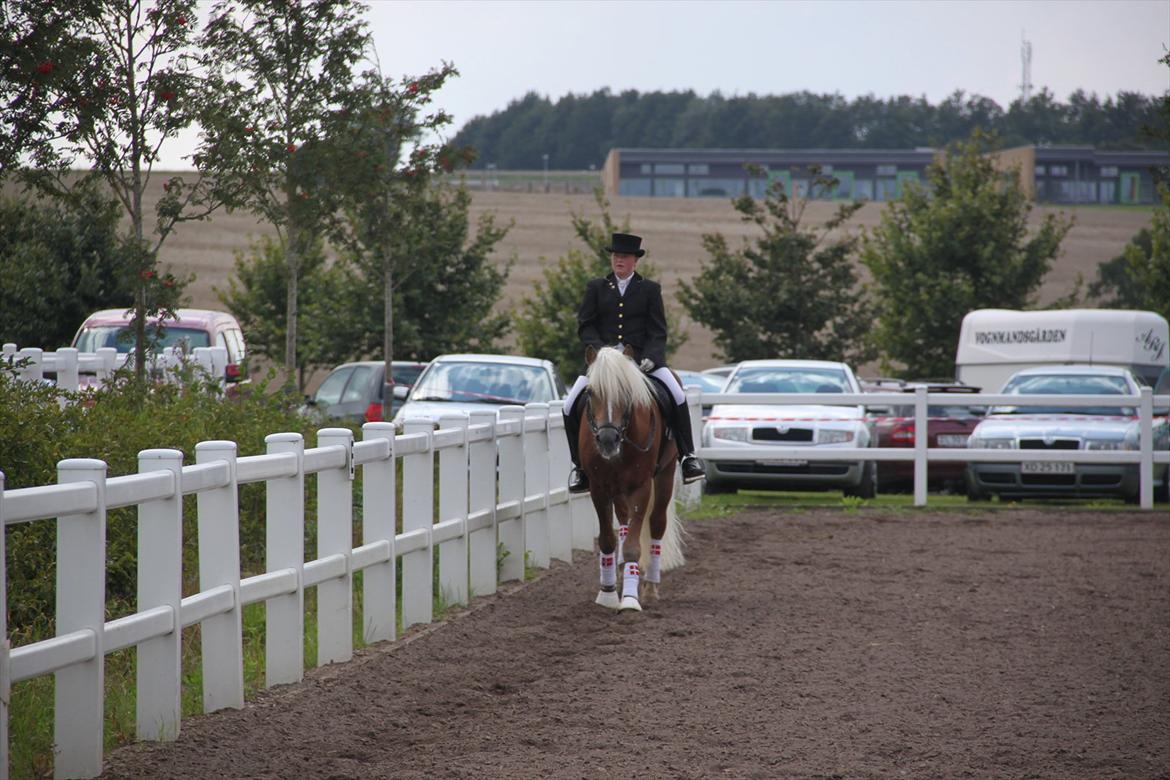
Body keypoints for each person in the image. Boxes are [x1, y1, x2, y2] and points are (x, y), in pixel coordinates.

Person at [562, 232, 706, 493]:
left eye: (624, 257)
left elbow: (658, 331)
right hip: (604, 365)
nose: (619, 260)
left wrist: (651, 357)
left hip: (642, 361)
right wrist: (600, 353)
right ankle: (579, 468)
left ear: (634, 261)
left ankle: (688, 457)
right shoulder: (596, 287)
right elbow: (585, 326)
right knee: (570, 404)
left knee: (677, 395)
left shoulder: (650, 289)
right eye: (616, 256)